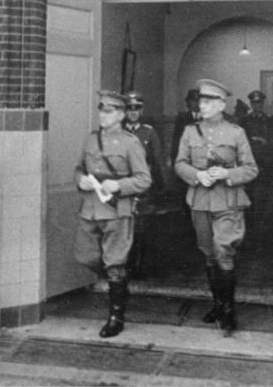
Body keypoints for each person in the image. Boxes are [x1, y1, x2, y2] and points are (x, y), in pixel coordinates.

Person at [174, 79, 258, 336]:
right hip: (199, 199)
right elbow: (179, 163)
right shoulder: (190, 131)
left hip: (228, 200)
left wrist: (226, 173)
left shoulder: (235, 132)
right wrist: (197, 176)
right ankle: (218, 304)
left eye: (209, 101)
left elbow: (251, 169)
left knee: (224, 250)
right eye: (201, 101)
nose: (203, 105)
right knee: (209, 253)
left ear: (222, 104)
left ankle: (229, 310)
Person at [74, 90, 151, 338]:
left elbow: (143, 179)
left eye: (108, 111)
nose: (102, 115)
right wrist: (81, 181)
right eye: (101, 110)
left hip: (117, 210)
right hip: (90, 208)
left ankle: (116, 316)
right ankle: (119, 284)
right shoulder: (90, 139)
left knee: (115, 263)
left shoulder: (131, 142)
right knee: (85, 256)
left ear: (120, 115)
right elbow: (78, 169)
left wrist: (119, 185)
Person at [123, 91, 166, 276]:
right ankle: (126, 265)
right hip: (124, 185)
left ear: (142, 110)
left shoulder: (149, 132)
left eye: (137, 108)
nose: (133, 112)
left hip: (143, 187)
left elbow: (157, 161)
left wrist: (162, 187)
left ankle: (141, 267)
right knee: (124, 227)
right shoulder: (118, 131)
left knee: (143, 228)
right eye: (129, 108)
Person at [240, 90, 273, 233]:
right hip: (248, 163)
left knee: (263, 194)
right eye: (254, 103)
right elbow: (239, 142)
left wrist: (265, 143)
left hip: (265, 164)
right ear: (251, 104)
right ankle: (249, 224)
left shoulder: (270, 121)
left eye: (259, 103)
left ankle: (262, 224)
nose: (257, 106)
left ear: (263, 104)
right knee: (248, 193)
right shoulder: (244, 121)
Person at [170, 89, 200, 165]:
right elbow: (176, 141)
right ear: (188, 102)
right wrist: (174, 160)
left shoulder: (207, 118)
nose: (196, 104)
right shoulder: (182, 119)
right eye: (193, 101)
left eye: (199, 101)